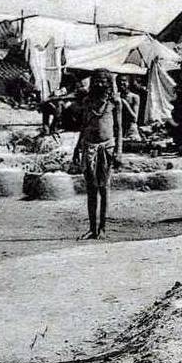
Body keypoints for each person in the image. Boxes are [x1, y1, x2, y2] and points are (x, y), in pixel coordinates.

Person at [72, 69, 122, 240]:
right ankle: (92, 228)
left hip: (107, 148)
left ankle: (103, 228)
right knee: (91, 190)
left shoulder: (115, 103)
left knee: (104, 188)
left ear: (109, 83)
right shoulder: (87, 102)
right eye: (97, 81)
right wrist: (76, 149)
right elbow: (83, 127)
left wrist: (119, 151)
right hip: (89, 147)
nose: (100, 84)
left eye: (103, 81)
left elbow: (118, 129)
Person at [116, 74, 141, 141]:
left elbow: (135, 118)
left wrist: (124, 102)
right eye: (119, 81)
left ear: (129, 83)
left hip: (130, 130)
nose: (121, 83)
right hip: (118, 129)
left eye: (124, 81)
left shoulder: (134, 97)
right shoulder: (115, 96)